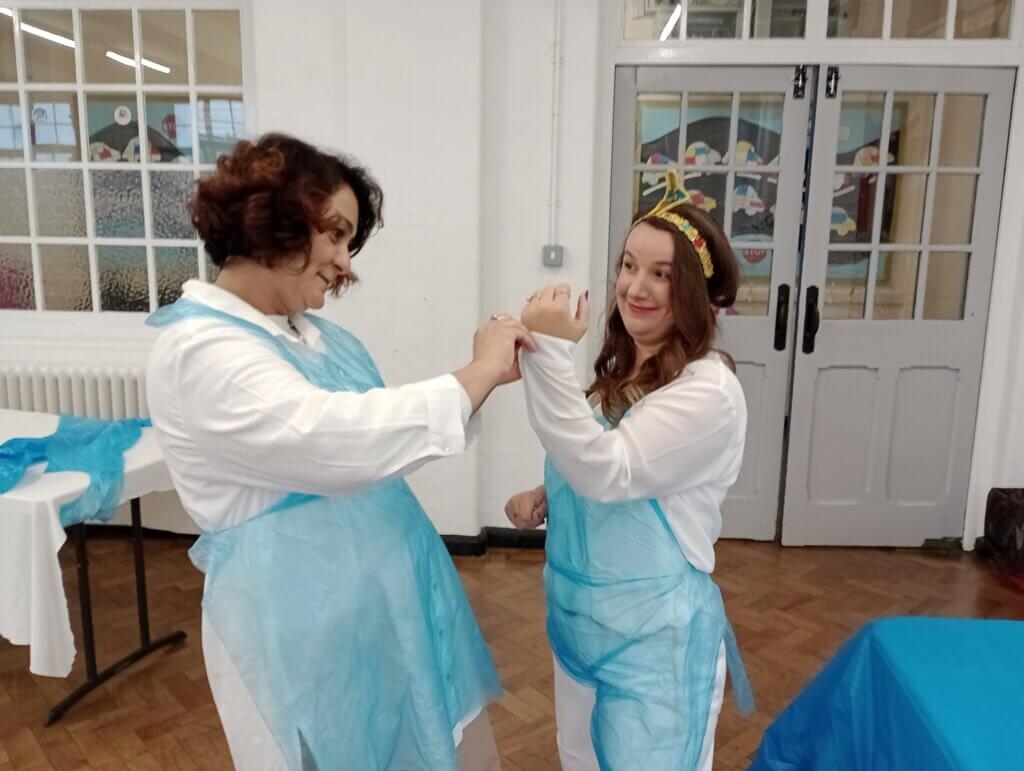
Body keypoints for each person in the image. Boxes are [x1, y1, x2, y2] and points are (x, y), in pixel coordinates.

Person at [145, 133, 531, 770]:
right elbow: (334, 441)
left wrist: (481, 381)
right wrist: (476, 373)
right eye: (336, 235)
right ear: (275, 217)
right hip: (299, 633)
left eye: (350, 242)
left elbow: (379, 436)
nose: (346, 263)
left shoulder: (317, 336)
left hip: (386, 610)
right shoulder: (200, 350)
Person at [506, 169, 753, 770]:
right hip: (581, 629)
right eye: (628, 265)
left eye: (661, 274)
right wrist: (549, 493)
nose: (635, 287)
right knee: (579, 759)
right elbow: (611, 463)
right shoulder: (618, 374)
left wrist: (548, 354)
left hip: (654, 646)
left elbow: (610, 471)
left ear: (694, 291)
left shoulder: (708, 392)